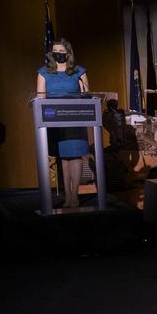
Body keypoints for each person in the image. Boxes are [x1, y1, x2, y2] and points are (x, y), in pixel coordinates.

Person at [35, 38, 90, 209]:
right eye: (55, 51)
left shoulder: (78, 71)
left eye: (62, 51)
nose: (58, 54)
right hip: (55, 120)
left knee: (75, 155)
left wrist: (84, 94)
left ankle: (75, 195)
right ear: (51, 54)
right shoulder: (44, 72)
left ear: (68, 53)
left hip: (75, 118)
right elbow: (40, 97)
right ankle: (67, 195)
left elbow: (87, 94)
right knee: (63, 157)